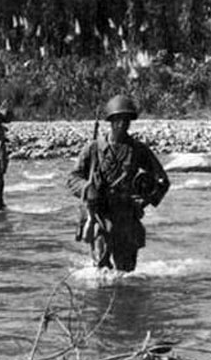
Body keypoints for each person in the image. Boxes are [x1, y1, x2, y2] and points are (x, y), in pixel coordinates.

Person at [66, 94, 170, 272]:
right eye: (118, 120)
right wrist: (87, 189)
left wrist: (144, 200)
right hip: (99, 215)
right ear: (111, 122)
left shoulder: (138, 150)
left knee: (126, 271)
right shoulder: (93, 149)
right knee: (101, 270)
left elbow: (162, 181)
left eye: (127, 121)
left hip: (126, 218)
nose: (123, 124)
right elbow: (72, 178)